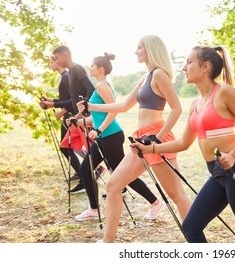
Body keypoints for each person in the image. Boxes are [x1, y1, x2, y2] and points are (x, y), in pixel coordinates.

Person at [132, 45, 235, 243]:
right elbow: (184, 143)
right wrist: (152, 148)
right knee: (191, 227)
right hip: (217, 173)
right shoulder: (195, 104)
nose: (184, 67)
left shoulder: (225, 93)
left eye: (189, 62)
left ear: (205, 67)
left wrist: (233, 155)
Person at [79, 35, 191, 242]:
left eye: (140, 48)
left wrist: (157, 139)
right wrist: (91, 107)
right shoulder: (144, 77)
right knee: (113, 186)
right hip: (140, 139)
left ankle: (198, 243)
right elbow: (123, 106)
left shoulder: (159, 75)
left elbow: (177, 109)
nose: (136, 51)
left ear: (151, 49)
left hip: (157, 138)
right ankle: (108, 243)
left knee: (177, 196)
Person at [73, 52, 164, 222]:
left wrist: (99, 130)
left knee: (123, 175)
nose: (90, 68)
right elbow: (100, 114)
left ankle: (155, 202)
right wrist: (79, 122)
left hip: (110, 136)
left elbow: (113, 111)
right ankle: (93, 209)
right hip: (104, 136)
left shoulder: (102, 86)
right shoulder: (101, 85)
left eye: (92, 65)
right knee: (86, 169)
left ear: (100, 69)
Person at [41, 45, 105, 194]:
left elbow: (90, 89)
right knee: (65, 146)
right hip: (77, 119)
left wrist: (85, 108)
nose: (55, 61)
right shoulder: (70, 73)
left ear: (64, 55)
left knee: (98, 152)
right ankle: (85, 177)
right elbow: (72, 99)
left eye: (56, 58)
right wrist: (52, 104)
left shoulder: (77, 68)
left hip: (85, 118)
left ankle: (117, 183)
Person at [39, 56, 80, 182]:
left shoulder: (66, 77)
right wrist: (49, 100)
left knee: (66, 147)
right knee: (65, 147)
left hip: (71, 117)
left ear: (58, 61)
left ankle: (84, 174)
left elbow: (72, 100)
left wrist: (59, 111)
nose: (50, 65)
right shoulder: (64, 77)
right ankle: (81, 173)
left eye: (52, 62)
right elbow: (64, 100)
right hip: (68, 116)